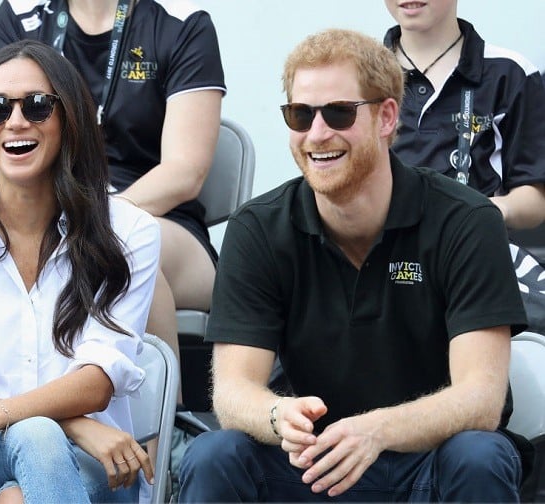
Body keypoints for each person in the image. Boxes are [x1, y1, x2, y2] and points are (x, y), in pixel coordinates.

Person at [178, 28, 529, 502]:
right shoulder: (256, 229)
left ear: (386, 117)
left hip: (428, 465)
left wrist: (377, 430)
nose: (317, 134)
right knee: (215, 455)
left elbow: (481, 399)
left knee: (480, 456)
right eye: (300, 115)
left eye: (339, 113)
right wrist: (277, 416)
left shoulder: (467, 221)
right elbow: (234, 390)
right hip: (311, 468)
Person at [0, 39, 160, 503]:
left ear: (70, 118)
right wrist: (71, 423)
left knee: (25, 476)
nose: (15, 121)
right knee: (36, 437)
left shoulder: (129, 231)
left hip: (91, 468)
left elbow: (97, 379)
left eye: (38, 106)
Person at [0, 0, 226, 379]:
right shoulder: (19, 16)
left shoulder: (181, 22)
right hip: (42, 210)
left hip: (159, 217)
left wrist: (89, 218)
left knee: (120, 242)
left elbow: (184, 172)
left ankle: (160, 430)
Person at [383, 0, 545, 230]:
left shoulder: (511, 73)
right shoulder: (360, 74)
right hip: (379, 251)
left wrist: (486, 211)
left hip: (474, 249)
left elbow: (534, 197)